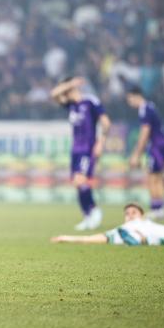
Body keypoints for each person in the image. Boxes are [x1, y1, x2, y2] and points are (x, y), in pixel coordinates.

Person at [50, 76, 111, 230]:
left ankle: (94, 211)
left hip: (88, 147)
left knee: (81, 180)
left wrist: (101, 142)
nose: (64, 93)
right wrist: (70, 83)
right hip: (76, 149)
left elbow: (106, 122)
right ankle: (87, 216)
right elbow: (53, 94)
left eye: (67, 90)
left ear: (73, 90)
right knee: (77, 183)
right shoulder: (71, 105)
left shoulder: (90, 101)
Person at [51, 202, 164, 247]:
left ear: (141, 214)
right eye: (127, 213)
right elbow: (92, 238)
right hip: (132, 234)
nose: (130, 215)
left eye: (133, 212)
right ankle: (135, 240)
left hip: (153, 234)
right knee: (117, 235)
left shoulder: (149, 223)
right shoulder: (123, 227)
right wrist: (66, 237)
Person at [126, 86, 164, 219]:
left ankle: (156, 208)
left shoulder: (144, 109)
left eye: (129, 99)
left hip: (156, 145)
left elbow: (145, 132)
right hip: (162, 144)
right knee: (157, 177)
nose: (129, 103)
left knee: (152, 177)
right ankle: (160, 208)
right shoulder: (150, 106)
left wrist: (136, 154)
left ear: (136, 96)